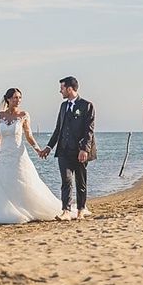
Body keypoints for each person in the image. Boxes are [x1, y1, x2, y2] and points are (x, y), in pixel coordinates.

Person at [0, 88, 62, 224]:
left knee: (23, 181)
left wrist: (38, 150)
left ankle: (25, 208)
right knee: (1, 181)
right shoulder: (0, 116)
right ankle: (5, 211)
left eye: (19, 98)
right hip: (3, 154)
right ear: (8, 99)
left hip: (18, 155)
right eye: (15, 98)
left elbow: (29, 135)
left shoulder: (24, 115)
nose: (18, 100)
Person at [40, 76, 96, 221]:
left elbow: (88, 130)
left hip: (79, 151)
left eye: (62, 88)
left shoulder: (86, 105)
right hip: (64, 150)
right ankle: (65, 211)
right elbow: (58, 129)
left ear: (70, 88)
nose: (60, 91)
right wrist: (49, 147)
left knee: (80, 182)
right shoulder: (63, 106)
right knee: (66, 181)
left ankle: (81, 210)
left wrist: (85, 149)